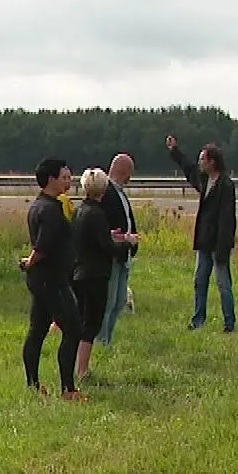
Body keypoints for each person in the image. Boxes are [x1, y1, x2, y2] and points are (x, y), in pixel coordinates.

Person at [21, 157, 85, 399]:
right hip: (52, 280)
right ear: (51, 180)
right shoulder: (49, 209)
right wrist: (30, 261)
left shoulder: (42, 204)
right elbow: (43, 246)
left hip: (44, 279)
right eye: (64, 176)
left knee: (37, 330)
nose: (68, 180)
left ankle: (33, 385)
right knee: (73, 329)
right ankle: (68, 389)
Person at [167, 134, 237, 332]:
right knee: (199, 281)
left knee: (223, 284)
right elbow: (188, 168)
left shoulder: (225, 185)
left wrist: (223, 246)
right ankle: (198, 320)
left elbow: (227, 218)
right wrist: (174, 150)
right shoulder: (204, 179)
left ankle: (229, 323)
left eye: (202, 159)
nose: (199, 162)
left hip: (219, 243)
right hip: (204, 241)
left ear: (212, 162)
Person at [71, 168, 133, 382]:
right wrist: (126, 243)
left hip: (78, 271)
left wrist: (109, 236)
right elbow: (107, 247)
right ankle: (82, 370)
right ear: (103, 189)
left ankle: (75, 366)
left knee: (81, 320)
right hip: (95, 274)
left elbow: (91, 238)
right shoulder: (98, 214)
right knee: (92, 323)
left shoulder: (80, 210)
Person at [98, 153, 139, 344]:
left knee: (119, 301)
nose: (130, 177)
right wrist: (122, 239)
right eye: (129, 173)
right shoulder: (105, 192)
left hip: (124, 254)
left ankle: (108, 340)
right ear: (123, 171)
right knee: (107, 302)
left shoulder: (120, 192)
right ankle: (101, 341)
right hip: (112, 255)